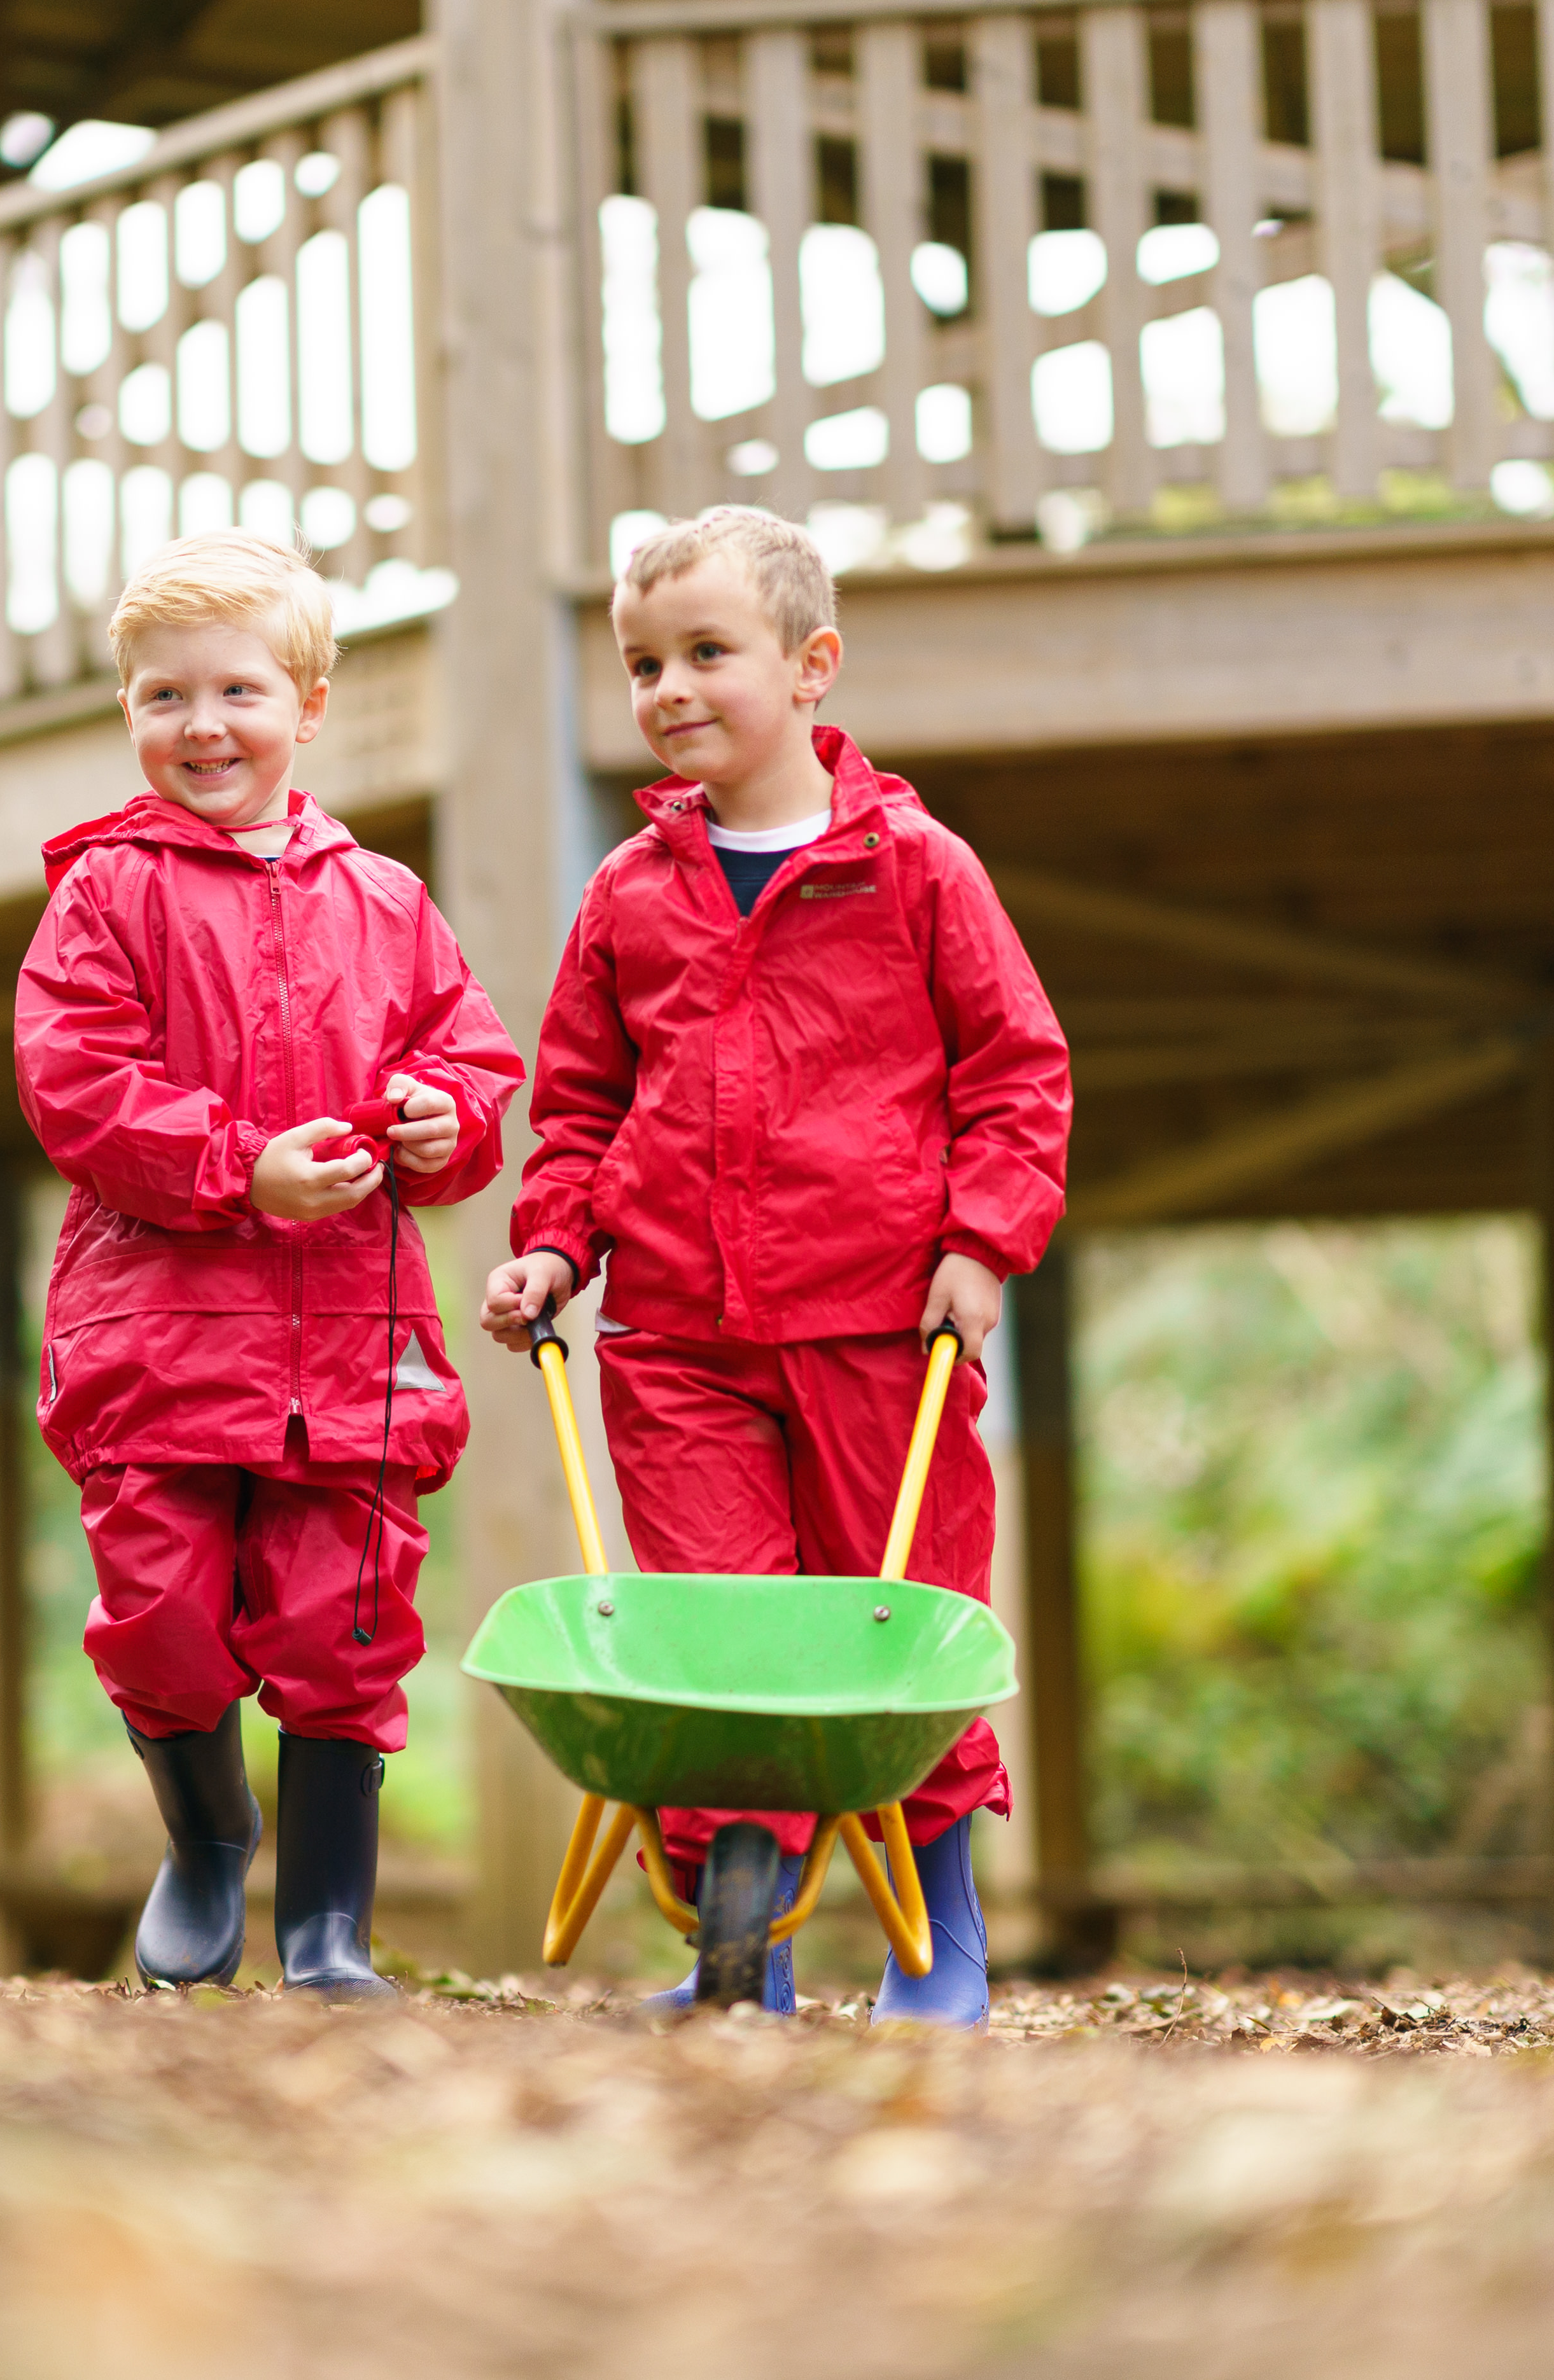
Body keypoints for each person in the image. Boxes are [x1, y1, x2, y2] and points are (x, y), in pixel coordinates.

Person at [478, 506, 1070, 2026]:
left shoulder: (915, 868)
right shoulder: (631, 891)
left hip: (880, 1325)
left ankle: (937, 1943)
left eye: (706, 652)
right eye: (643, 665)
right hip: (677, 1336)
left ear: (811, 666)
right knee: (714, 1633)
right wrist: (553, 1243)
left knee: (895, 1618)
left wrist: (981, 1242)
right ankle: (743, 1953)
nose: (669, 687)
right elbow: (582, 1104)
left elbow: (1015, 1070)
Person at [17, 529, 524, 2000]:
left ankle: (326, 1926)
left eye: (236, 690)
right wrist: (240, 1166)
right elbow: (76, 1083)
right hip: (157, 1335)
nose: (202, 725)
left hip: (346, 1340)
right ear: (129, 711)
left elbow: (471, 1060)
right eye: (163, 696)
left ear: (307, 704)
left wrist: (444, 1118)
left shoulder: (386, 900)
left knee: (342, 1621)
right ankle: (204, 1835)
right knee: (161, 1612)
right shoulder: (105, 893)